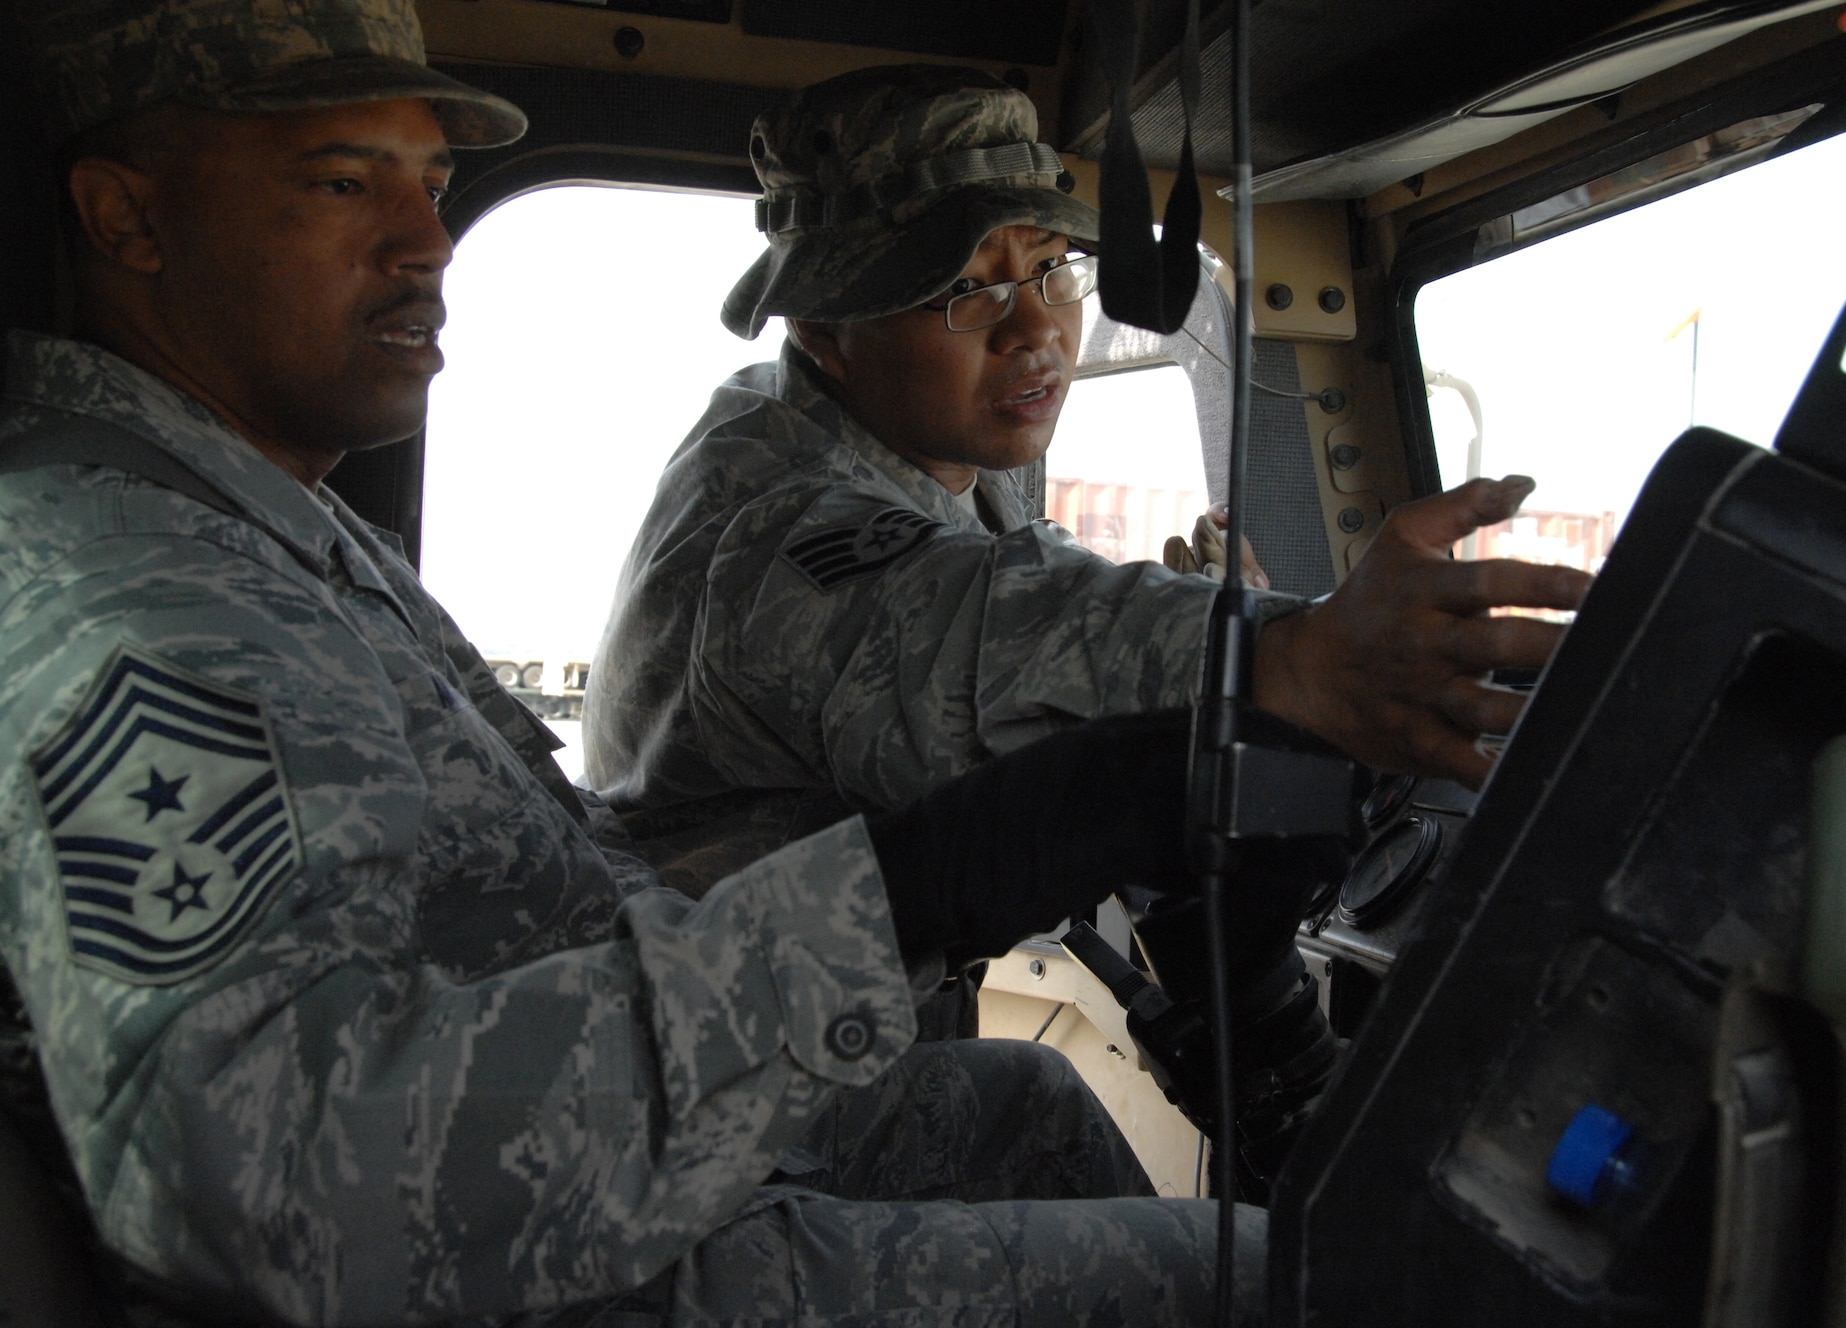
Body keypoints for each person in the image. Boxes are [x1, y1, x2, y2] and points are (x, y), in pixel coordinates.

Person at [0, 2, 1276, 1322]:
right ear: (126, 218)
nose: (427, 242)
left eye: (435, 187)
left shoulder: (265, 516)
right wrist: (904, 896)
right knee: (1252, 1282)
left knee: (1031, 1106)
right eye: (340, 181)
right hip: (508, 1259)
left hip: (581, 1132)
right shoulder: (136, 586)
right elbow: (276, 1186)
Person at [582, 65, 1590, 886]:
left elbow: (1022, 587)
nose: (1035, 331)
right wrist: (1289, 655)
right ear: (824, 331)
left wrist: (1216, 616)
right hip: (718, 1076)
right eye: (961, 290)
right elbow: (945, 631)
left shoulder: (937, 442)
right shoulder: (773, 528)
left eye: (1051, 266)